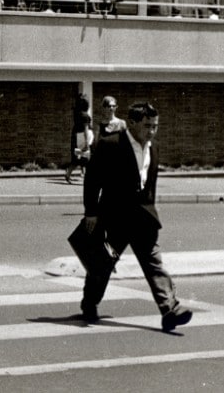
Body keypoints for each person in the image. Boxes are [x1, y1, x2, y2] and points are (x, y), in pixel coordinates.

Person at [79, 100, 194, 332]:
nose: (151, 131)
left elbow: (149, 185)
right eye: (147, 126)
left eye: (155, 126)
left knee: (154, 264)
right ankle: (89, 303)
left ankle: (170, 309)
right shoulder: (110, 145)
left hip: (143, 221)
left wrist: (152, 212)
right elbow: (92, 180)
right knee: (102, 265)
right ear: (131, 123)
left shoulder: (154, 147)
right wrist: (91, 212)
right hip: (114, 222)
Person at [65, 95, 94, 184]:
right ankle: (88, 177)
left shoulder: (78, 113)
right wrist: (87, 143)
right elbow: (85, 129)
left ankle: (68, 174)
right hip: (83, 137)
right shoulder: (85, 115)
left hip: (77, 136)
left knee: (78, 157)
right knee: (87, 157)